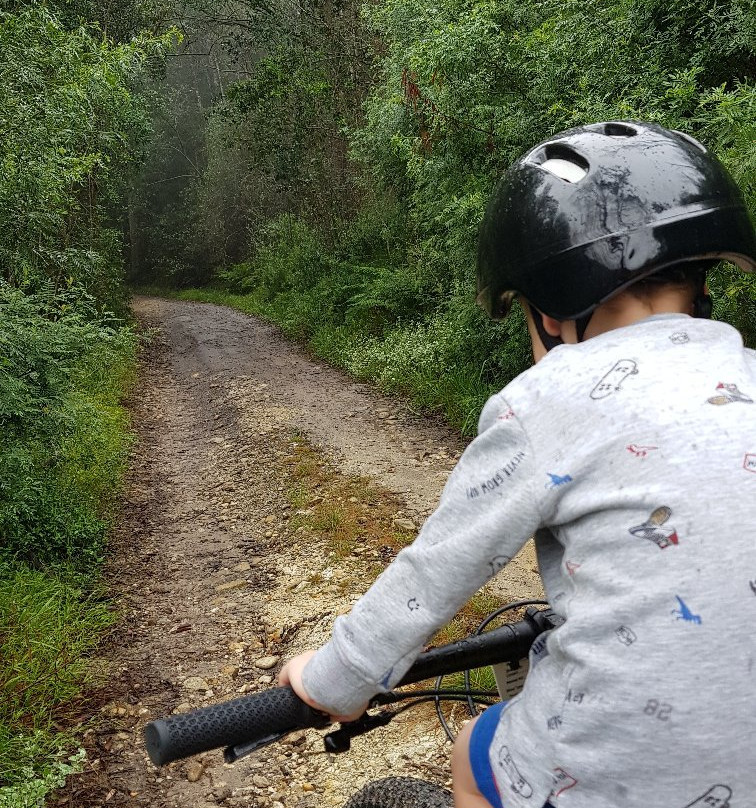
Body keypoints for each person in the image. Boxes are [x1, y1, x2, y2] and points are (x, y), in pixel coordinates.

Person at [279, 121, 756, 808]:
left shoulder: (548, 399)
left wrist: (334, 680)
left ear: (551, 309)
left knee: (475, 754)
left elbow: (435, 571)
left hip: (619, 768)